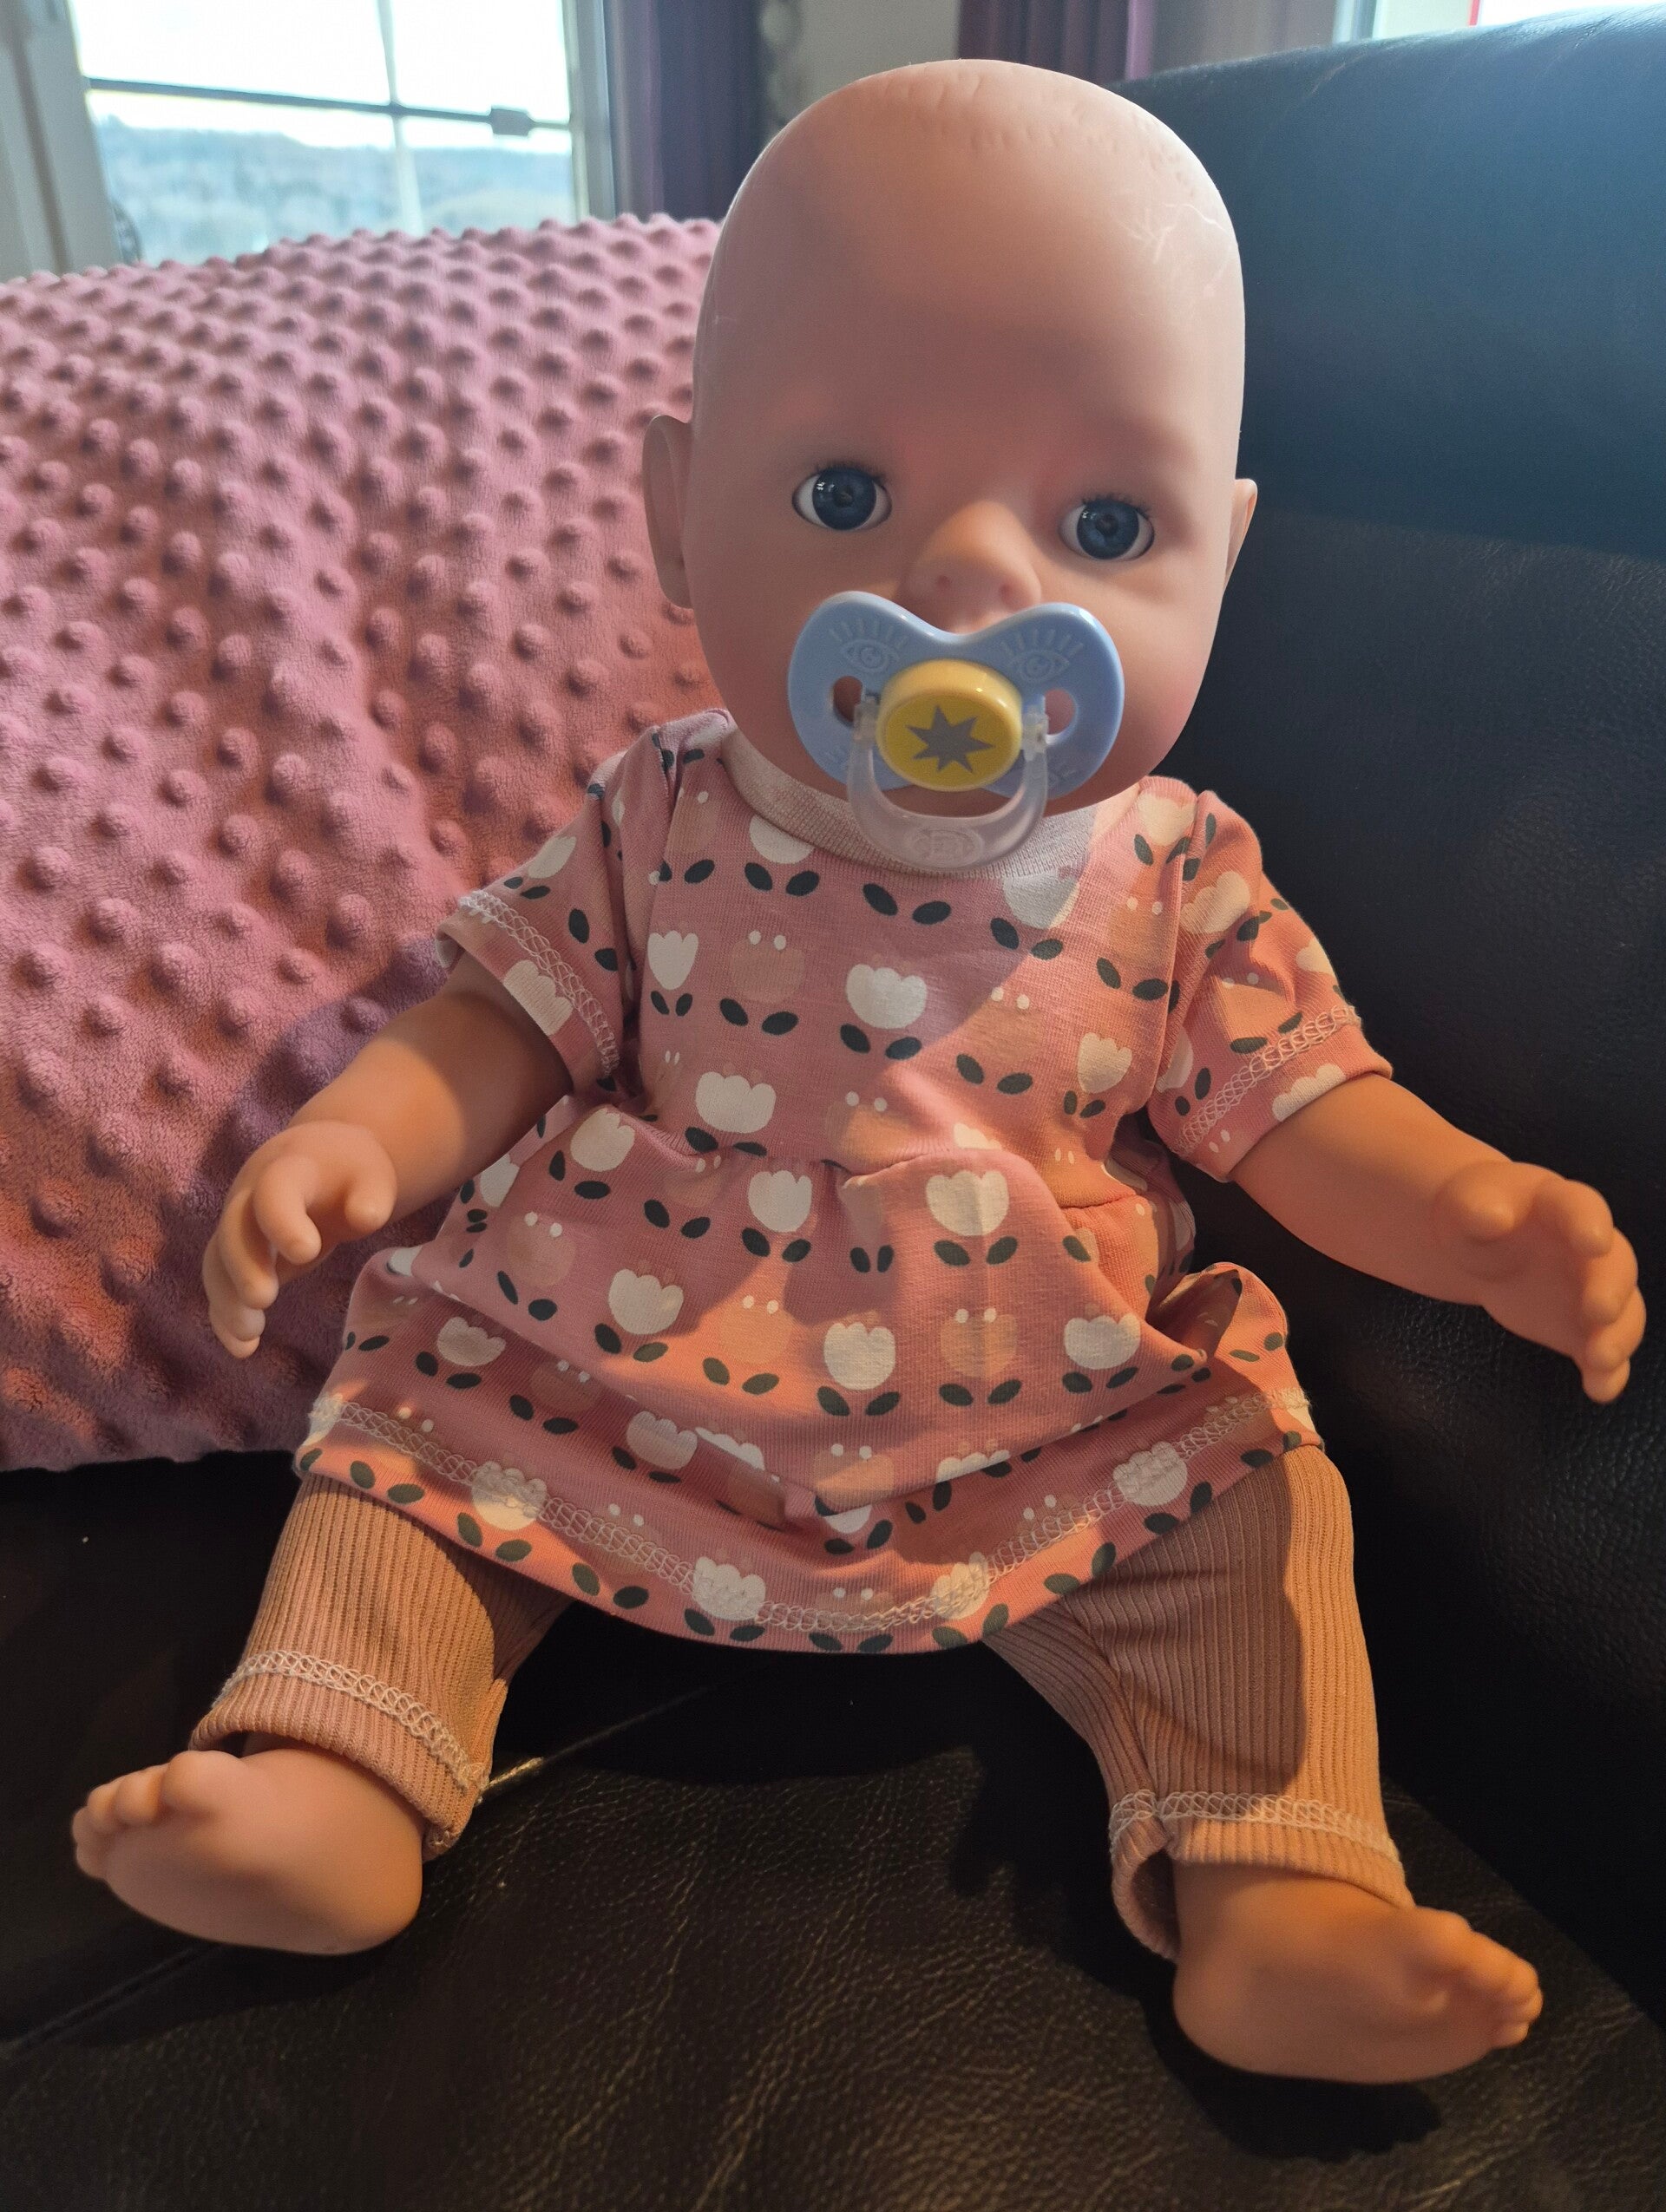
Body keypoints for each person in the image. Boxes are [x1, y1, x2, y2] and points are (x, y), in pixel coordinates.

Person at [71, 60, 1641, 2083]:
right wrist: (358, 1137)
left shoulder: (1178, 869)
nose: (973, 583)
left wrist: (1473, 1215)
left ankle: (1278, 1889)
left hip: (1040, 1415)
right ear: (674, 513)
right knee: (413, 1430)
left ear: (1222, 560)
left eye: (1104, 523)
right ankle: (332, 1770)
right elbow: (504, 1019)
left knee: (1250, 1496)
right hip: (615, 1375)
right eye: (844, 499)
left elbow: (1304, 1110)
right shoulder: (661, 808)